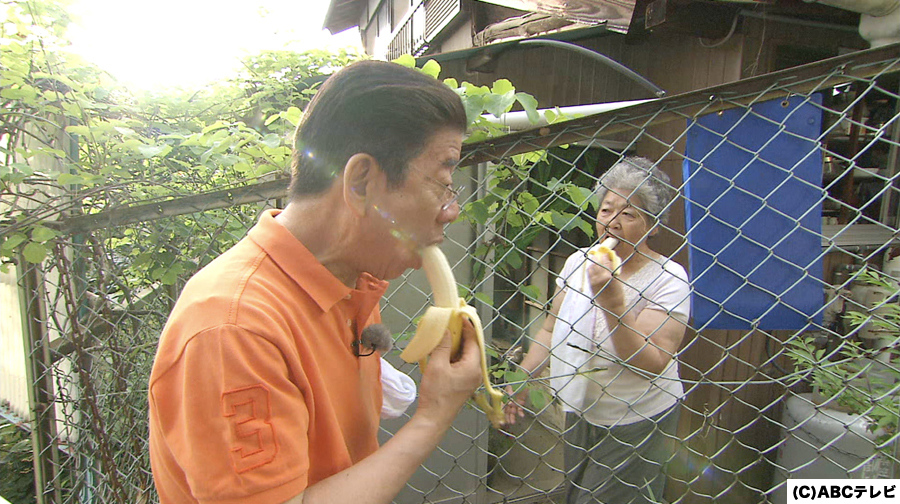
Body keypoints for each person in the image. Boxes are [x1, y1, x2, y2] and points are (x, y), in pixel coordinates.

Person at [148, 60, 483, 504]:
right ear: (361, 182)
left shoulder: (350, 280)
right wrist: (434, 414)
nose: (451, 209)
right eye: (443, 181)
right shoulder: (234, 328)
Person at [504, 157, 691, 504]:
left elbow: (651, 361)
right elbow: (549, 328)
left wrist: (613, 303)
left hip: (636, 417)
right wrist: (524, 379)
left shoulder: (670, 279)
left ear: (652, 226)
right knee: (577, 494)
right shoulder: (578, 262)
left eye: (629, 214)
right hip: (581, 407)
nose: (613, 223)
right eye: (606, 211)